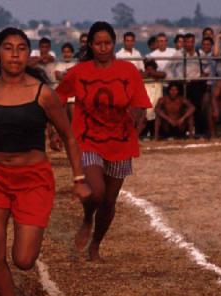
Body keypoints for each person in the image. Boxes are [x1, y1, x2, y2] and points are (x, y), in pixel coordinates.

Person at [0, 27, 90, 296]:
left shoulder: (42, 93)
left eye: (21, 48)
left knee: (24, 259)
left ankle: (18, 289)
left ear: (28, 54)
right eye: (8, 47)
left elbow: (69, 137)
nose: (15, 53)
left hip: (33, 179)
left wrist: (79, 178)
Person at [56, 21, 151, 261]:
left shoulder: (128, 71)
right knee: (96, 191)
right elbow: (57, 97)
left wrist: (136, 115)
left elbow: (140, 102)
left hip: (120, 141)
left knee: (109, 201)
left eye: (107, 43)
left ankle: (96, 244)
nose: (103, 47)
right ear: (90, 44)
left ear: (114, 44)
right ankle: (88, 217)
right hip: (87, 140)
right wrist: (54, 129)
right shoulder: (80, 72)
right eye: (98, 43)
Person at [140, 60, 164, 138]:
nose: (149, 71)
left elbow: (163, 74)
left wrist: (151, 73)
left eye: (152, 69)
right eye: (148, 69)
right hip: (144, 112)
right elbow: (137, 75)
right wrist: (148, 73)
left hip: (155, 111)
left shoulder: (159, 78)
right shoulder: (142, 79)